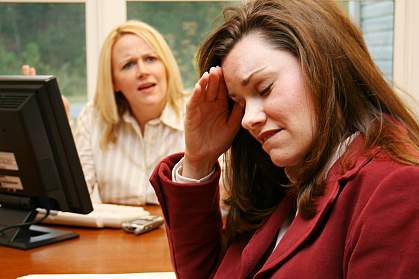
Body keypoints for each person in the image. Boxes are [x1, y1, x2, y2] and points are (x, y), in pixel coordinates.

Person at [149, 0, 419, 278]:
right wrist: (199, 160)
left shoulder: (396, 188)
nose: (247, 119)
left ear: (322, 64)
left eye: (264, 89)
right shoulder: (286, 177)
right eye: (239, 102)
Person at [24, 20, 187, 206]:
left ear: (165, 65)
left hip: (180, 234)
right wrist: (52, 130)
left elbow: (220, 202)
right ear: (114, 82)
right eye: (128, 65)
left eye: (150, 59)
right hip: (116, 235)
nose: (143, 71)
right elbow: (73, 198)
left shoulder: (196, 114)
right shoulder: (93, 118)